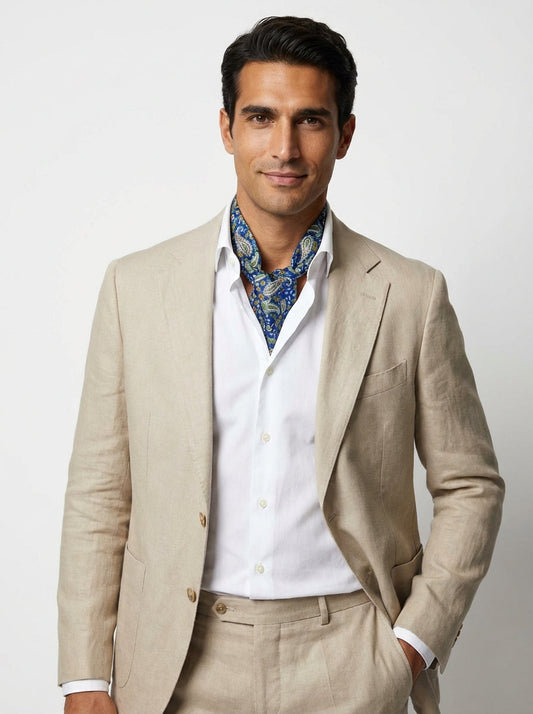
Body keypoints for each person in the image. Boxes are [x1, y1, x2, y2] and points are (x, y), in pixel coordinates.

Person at [58, 15, 504, 714]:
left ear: (344, 135)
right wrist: (85, 677)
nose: (284, 147)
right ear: (227, 128)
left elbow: (470, 483)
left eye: (310, 120)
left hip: (351, 656)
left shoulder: (410, 295)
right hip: (177, 661)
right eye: (261, 117)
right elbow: (99, 492)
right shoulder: (136, 288)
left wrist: (413, 642)